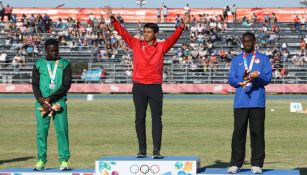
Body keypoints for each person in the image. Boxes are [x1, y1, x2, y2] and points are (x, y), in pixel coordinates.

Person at [103, 6, 190, 159]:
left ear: (155, 34)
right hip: (139, 87)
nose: (145, 34)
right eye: (144, 32)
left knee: (156, 118)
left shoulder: (162, 46)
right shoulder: (136, 44)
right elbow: (122, 33)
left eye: (149, 32)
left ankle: (156, 150)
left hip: (155, 86)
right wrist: (112, 19)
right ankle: (142, 150)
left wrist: (182, 25)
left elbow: (174, 37)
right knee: (139, 118)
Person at [227, 32, 272, 174]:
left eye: (249, 41)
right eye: (245, 41)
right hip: (240, 101)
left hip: (257, 101)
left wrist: (257, 77)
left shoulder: (263, 59)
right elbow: (231, 80)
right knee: (238, 133)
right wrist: (240, 81)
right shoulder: (236, 60)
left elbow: (267, 79)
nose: (247, 43)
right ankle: (235, 163)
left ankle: (257, 164)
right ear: (242, 42)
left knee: (257, 133)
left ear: (254, 42)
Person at [32, 39, 72, 171]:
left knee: (62, 132)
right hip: (42, 103)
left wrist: (51, 98)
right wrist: (41, 100)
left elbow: (66, 85)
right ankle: (41, 160)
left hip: (59, 102)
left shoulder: (65, 64)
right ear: (46, 50)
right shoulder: (38, 64)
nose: (54, 53)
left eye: (56, 50)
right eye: (51, 51)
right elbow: (35, 84)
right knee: (41, 133)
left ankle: (64, 161)